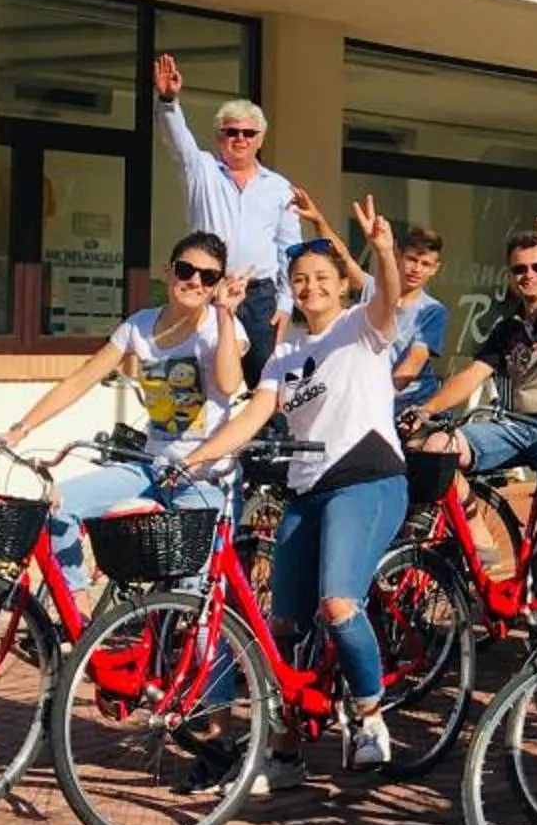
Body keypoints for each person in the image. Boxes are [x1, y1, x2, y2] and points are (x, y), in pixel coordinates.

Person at [172, 199, 408, 783]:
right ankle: (284, 754)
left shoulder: (361, 330)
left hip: (368, 479)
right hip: (307, 492)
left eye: (321, 280)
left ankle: (371, 714)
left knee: (338, 604)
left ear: (339, 287)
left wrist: (381, 251)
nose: (310, 289)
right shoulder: (285, 354)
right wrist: (198, 456)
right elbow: (252, 413)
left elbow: (388, 300)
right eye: (300, 281)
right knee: (281, 630)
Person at [0, 232, 245, 589]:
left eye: (209, 276)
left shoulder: (221, 325)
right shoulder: (139, 326)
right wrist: (20, 429)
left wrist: (226, 315)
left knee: (192, 608)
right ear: (168, 272)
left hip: (203, 480)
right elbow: (80, 380)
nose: (195, 281)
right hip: (153, 470)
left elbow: (230, 383)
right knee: (58, 505)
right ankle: (76, 614)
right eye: (186, 270)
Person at [406, 216, 537, 560]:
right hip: (515, 425)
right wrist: (427, 409)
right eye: (520, 269)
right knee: (436, 446)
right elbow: (473, 374)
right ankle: (481, 540)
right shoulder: (507, 328)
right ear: (510, 276)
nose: (529, 275)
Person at [152, 52, 301, 366]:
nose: (240, 139)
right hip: (207, 288)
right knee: (204, 377)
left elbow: (289, 250)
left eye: (248, 133)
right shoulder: (200, 169)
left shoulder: (279, 187)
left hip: (260, 297)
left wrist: (286, 303)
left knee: (265, 385)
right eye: (231, 131)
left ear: (260, 139)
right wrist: (168, 101)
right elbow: (176, 141)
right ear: (219, 136)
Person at [388, 225, 449, 413]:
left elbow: (414, 362)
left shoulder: (432, 310)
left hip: (412, 403)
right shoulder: (376, 293)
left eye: (425, 264)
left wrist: (376, 397)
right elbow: (345, 264)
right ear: (398, 257)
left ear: (435, 269)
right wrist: (318, 221)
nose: (416, 269)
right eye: (412, 260)